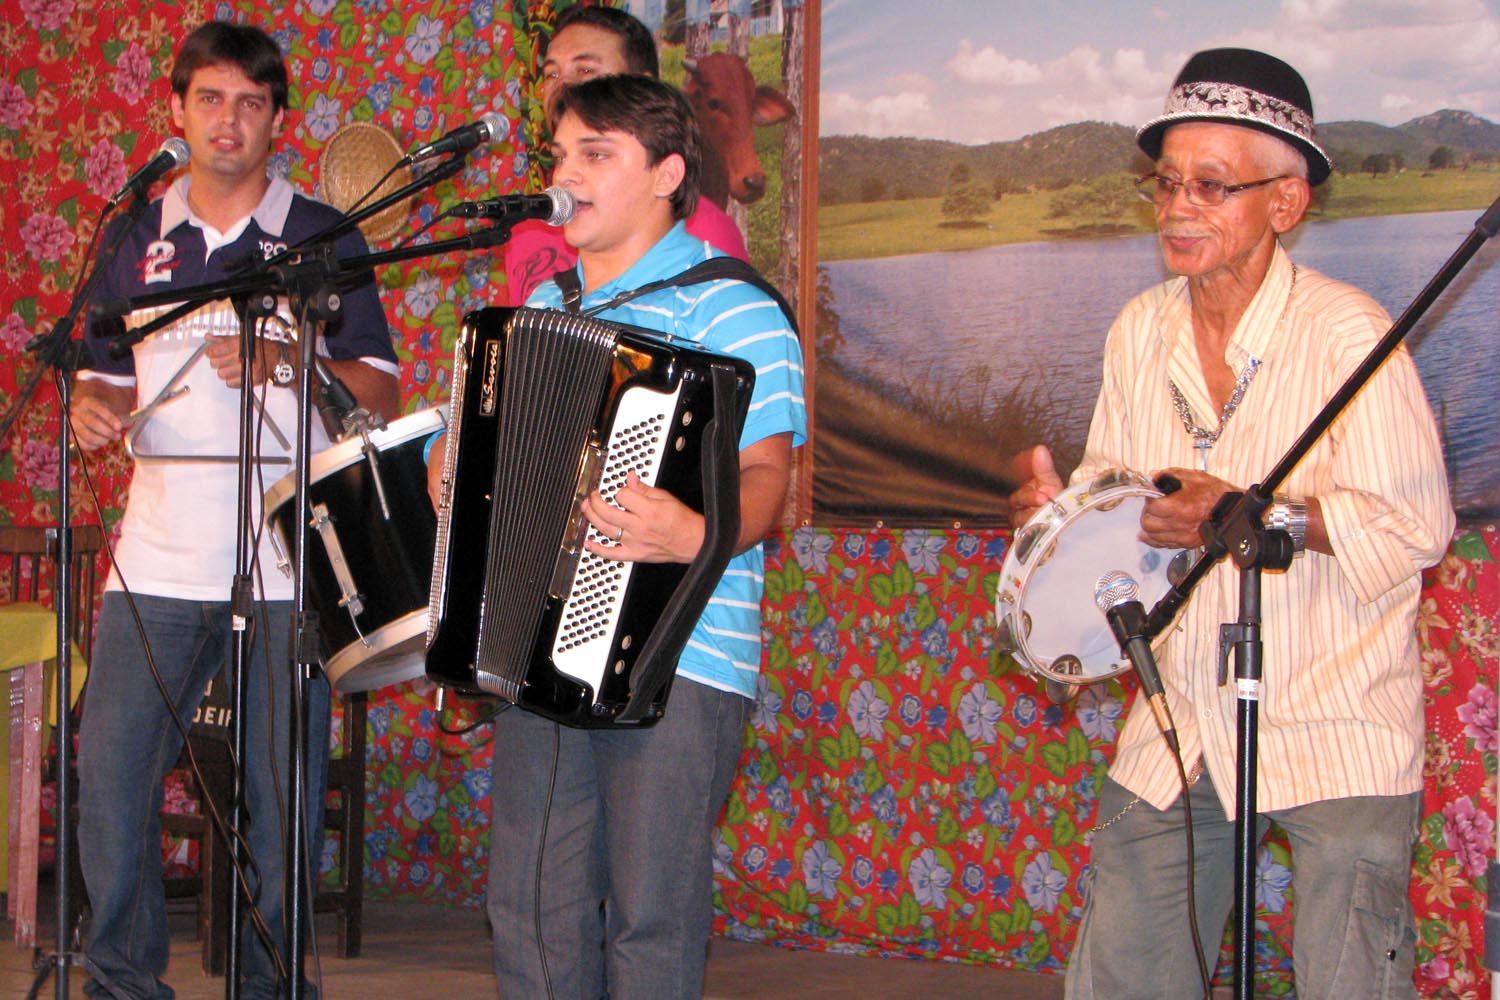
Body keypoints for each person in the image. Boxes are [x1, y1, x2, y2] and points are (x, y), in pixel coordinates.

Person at [1008, 49, 1454, 999]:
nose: (1177, 208)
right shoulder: (1140, 329)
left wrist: (1252, 509)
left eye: (1211, 187)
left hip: (1337, 711)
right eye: (1166, 183)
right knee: (1129, 965)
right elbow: (1118, 498)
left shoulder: (1347, 334)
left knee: (1349, 982)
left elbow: (1414, 528)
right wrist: (1062, 518)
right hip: (1185, 717)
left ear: (1284, 204)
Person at [69, 21, 399, 1000]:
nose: (228, 120)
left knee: (280, 798)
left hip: (285, 559)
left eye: (251, 103)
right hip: (157, 556)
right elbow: (102, 378)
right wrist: (97, 409)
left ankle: (269, 985)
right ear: (176, 110)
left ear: (277, 119)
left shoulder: (319, 234)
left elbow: (378, 390)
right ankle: (123, 981)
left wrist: (293, 359)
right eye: (209, 99)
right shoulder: (134, 233)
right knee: (113, 777)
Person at [471, 73, 804, 1000]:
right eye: (560, 154)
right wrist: (459, 469)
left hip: (684, 653)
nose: (565, 175)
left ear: (666, 173)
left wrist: (692, 527)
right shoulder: (549, 315)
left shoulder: (734, 306)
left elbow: (771, 480)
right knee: (531, 903)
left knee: (651, 914)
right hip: (543, 651)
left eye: (595, 154)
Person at [502, 3, 749, 306]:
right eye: (552, 73)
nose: (562, 86)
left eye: (585, 70)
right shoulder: (528, 230)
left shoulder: (704, 229)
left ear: (641, 85)